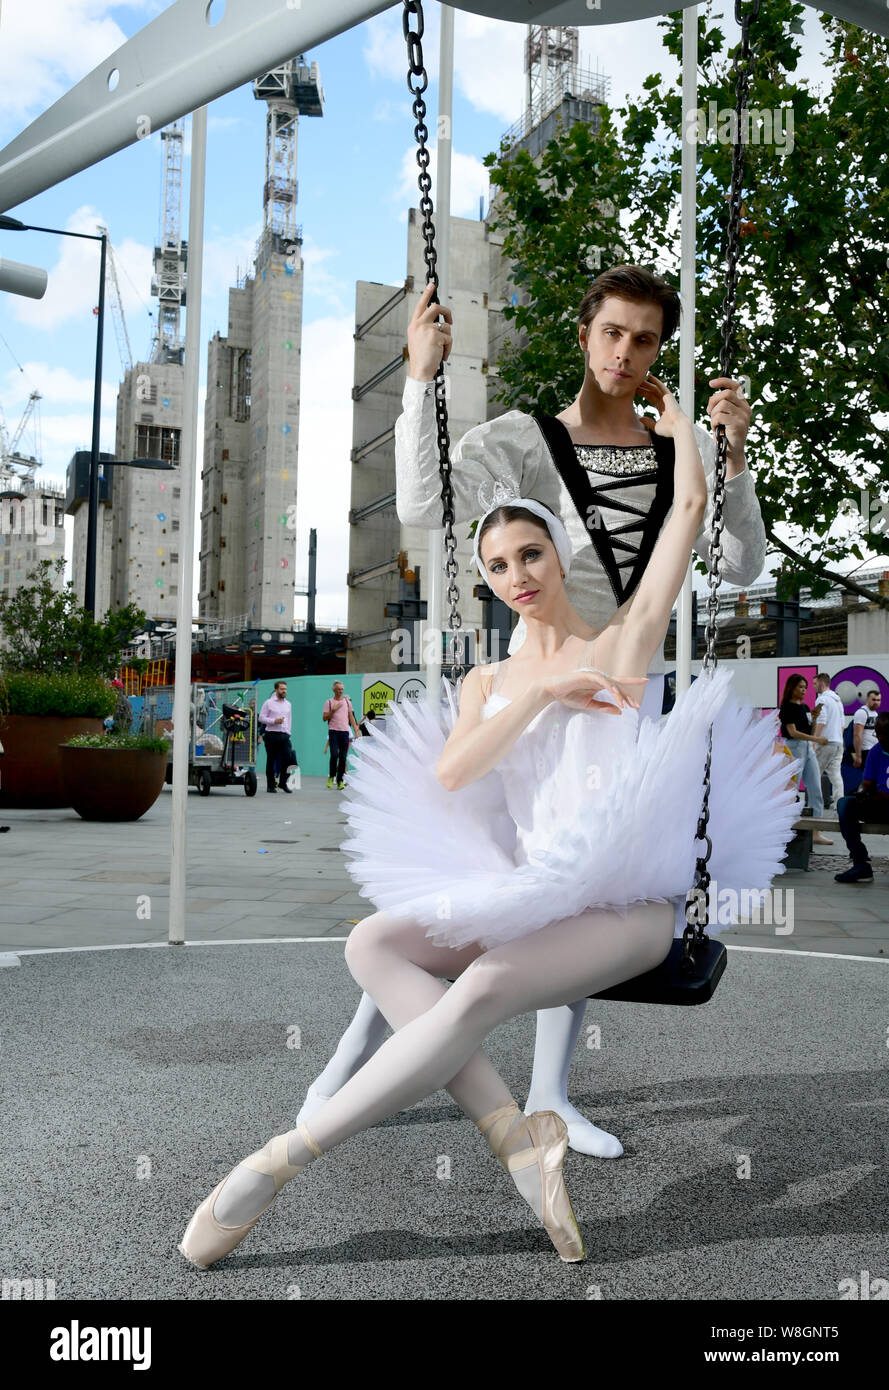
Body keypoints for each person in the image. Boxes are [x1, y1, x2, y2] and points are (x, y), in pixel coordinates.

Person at [178, 375, 799, 1269]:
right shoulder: (486, 683)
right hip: (531, 891)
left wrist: (690, 440)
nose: (516, 577)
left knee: (474, 992)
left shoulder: (620, 647)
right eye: (498, 565)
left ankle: (274, 1166)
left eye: (530, 556)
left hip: (630, 908)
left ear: (559, 556)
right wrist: (540, 693)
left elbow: (687, 514)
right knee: (373, 945)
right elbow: (455, 767)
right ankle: (516, 1138)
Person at [295, 263, 768, 1159]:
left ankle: (549, 1094)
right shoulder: (520, 442)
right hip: (536, 679)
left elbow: (738, 562)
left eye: (644, 340)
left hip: (626, 685)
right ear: (584, 335)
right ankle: (357, 1050)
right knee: (481, 876)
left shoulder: (677, 449)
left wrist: (728, 454)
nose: (625, 353)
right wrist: (421, 379)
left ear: (659, 350)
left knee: (586, 879)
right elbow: (422, 508)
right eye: (611, 333)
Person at [834, 712, 889, 883]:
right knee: (845, 804)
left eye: (883, 733)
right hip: (879, 804)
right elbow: (868, 784)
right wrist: (865, 795)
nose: (879, 737)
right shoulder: (877, 751)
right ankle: (860, 863)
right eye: (877, 733)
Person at [779, 674, 832, 844]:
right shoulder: (786, 707)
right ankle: (786, 829)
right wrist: (817, 740)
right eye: (800, 687)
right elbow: (793, 732)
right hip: (794, 746)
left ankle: (815, 832)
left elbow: (809, 730)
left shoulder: (805, 708)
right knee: (792, 789)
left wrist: (814, 717)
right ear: (791, 688)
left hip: (807, 748)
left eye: (805, 687)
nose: (803, 690)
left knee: (816, 789)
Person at [812, 672, 845, 809]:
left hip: (825, 742)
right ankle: (840, 807)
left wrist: (814, 741)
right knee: (836, 777)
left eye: (815, 684)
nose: (814, 687)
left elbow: (821, 721)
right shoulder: (838, 701)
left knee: (814, 775)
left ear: (821, 683)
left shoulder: (822, 700)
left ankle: (815, 806)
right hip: (838, 743)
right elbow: (842, 724)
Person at [323, 681, 361, 790]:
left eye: (342, 689)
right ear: (334, 690)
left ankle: (340, 781)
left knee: (343, 758)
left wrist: (356, 730)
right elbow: (324, 718)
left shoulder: (347, 702)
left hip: (345, 733)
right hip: (333, 732)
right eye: (339, 689)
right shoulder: (329, 702)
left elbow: (351, 717)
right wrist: (333, 710)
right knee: (334, 755)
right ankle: (331, 777)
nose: (341, 691)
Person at [259, 680, 293, 794]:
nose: (284, 691)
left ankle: (283, 782)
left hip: (284, 735)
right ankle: (271, 785)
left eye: (285, 689)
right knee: (271, 759)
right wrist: (274, 721)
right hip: (271, 734)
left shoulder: (288, 704)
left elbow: (289, 719)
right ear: (276, 690)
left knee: (289, 758)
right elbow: (261, 718)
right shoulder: (268, 703)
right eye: (282, 689)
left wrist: (288, 732)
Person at [850, 688, 881, 774]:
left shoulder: (875, 714)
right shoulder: (862, 712)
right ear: (867, 699)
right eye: (873, 699)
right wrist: (858, 756)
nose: (876, 702)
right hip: (866, 752)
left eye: (878, 700)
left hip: (875, 751)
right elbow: (857, 735)